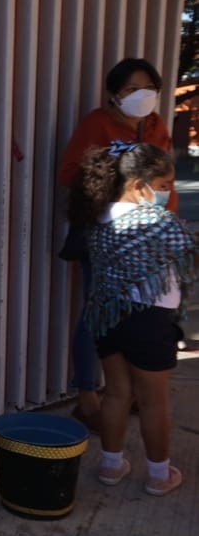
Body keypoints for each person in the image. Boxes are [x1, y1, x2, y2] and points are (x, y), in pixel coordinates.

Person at [68, 141, 196, 497]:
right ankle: (158, 473)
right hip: (151, 322)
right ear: (139, 185)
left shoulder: (98, 219)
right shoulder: (161, 223)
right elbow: (188, 259)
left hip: (109, 319)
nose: (167, 193)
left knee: (116, 394)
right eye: (164, 185)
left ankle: (111, 465)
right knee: (155, 401)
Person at [56, 58, 176, 433]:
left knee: (141, 313)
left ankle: (128, 392)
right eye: (131, 90)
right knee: (98, 312)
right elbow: (68, 173)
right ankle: (88, 395)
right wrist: (114, 171)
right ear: (113, 95)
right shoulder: (97, 124)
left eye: (149, 90)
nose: (142, 97)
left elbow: (166, 181)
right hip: (106, 237)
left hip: (148, 239)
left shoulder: (156, 126)